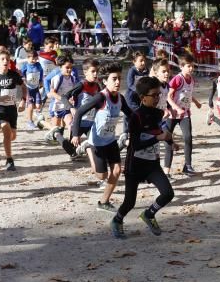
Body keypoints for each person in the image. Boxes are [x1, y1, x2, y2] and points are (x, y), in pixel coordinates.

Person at [110, 76, 175, 238]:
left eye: (159, 94)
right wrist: (157, 138)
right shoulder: (136, 117)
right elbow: (136, 145)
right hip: (135, 165)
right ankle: (117, 220)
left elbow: (160, 132)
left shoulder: (159, 113)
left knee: (168, 193)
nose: (157, 98)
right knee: (130, 202)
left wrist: (170, 141)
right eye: (154, 95)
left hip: (153, 164)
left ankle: (149, 214)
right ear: (142, 97)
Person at [71, 62, 135, 213]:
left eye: (119, 78)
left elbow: (131, 115)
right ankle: (87, 147)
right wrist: (75, 134)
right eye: (114, 79)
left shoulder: (120, 98)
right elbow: (79, 112)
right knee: (102, 176)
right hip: (97, 143)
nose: (118, 82)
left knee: (117, 171)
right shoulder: (101, 97)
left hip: (111, 140)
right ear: (105, 81)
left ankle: (104, 202)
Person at [0, 50, 25, 171]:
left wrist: (23, 100)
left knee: (12, 136)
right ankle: (9, 160)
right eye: (2, 59)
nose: (5, 61)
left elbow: (24, 87)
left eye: (7, 59)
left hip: (12, 108)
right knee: (7, 132)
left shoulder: (14, 74)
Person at [165, 54, 202, 176]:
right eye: (188, 66)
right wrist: (176, 108)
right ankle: (167, 170)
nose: (191, 68)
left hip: (185, 114)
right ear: (181, 67)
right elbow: (168, 96)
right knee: (168, 141)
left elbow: (188, 94)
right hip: (172, 115)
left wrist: (196, 102)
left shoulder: (191, 79)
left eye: (192, 66)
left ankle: (188, 166)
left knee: (188, 138)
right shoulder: (177, 79)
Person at [18, 50, 44, 130]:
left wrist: (40, 81)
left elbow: (41, 72)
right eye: (32, 59)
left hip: (36, 88)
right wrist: (23, 80)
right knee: (30, 106)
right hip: (28, 88)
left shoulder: (38, 65)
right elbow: (21, 74)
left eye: (35, 59)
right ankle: (30, 121)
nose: (34, 60)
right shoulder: (25, 66)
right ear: (28, 58)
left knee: (38, 105)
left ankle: (36, 113)